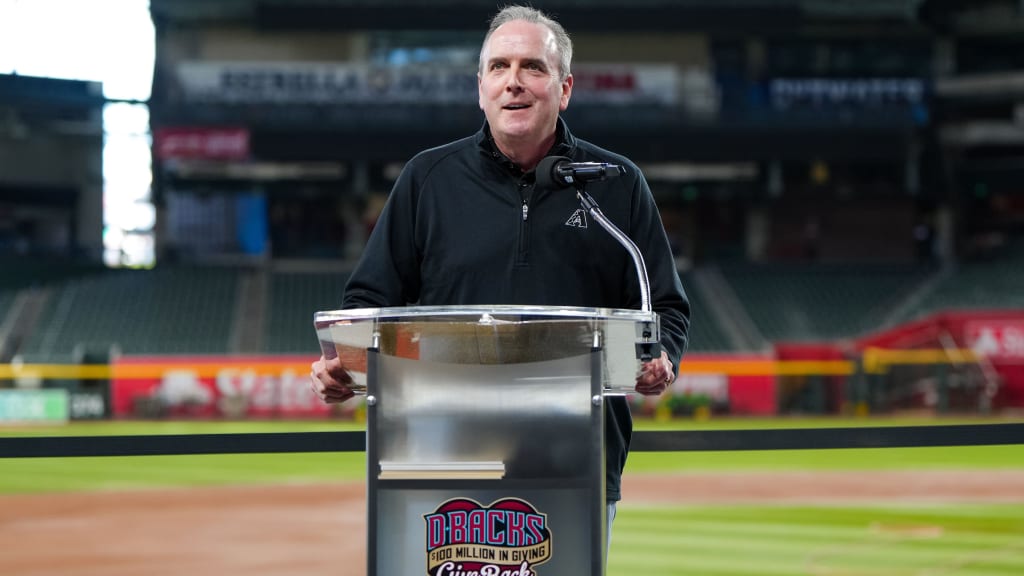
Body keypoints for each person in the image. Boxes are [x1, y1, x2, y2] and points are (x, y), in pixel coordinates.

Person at [310, 3, 690, 546]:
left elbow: (666, 309)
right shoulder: (427, 179)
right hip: (439, 458)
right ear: (481, 87)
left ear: (564, 89)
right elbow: (370, 302)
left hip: (575, 462)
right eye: (498, 67)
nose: (514, 82)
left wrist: (662, 359)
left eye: (533, 67)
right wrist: (341, 366)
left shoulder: (616, 183)